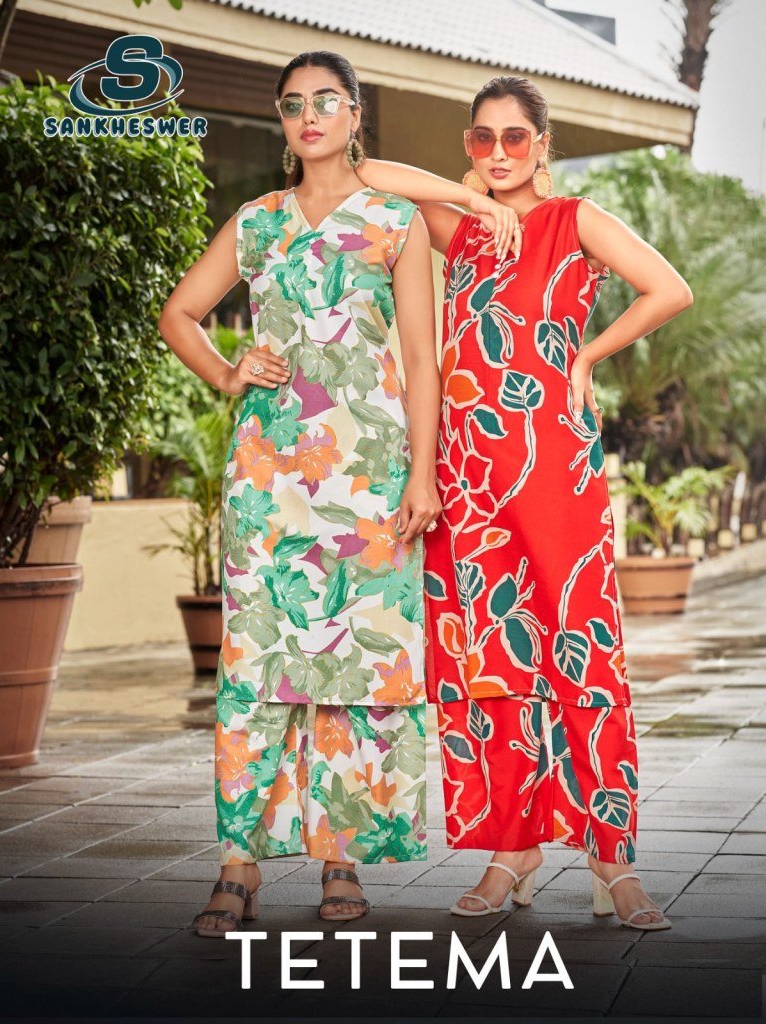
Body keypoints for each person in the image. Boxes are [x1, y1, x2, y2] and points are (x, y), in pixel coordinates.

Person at [356, 75, 693, 930]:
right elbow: (367, 173)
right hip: (468, 475)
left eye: (515, 138)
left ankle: (612, 858)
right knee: (490, 663)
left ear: (543, 144)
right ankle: (513, 850)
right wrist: (466, 194)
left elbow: (669, 288)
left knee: (583, 652)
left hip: (554, 468)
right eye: (483, 138)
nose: (499, 152)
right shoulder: (460, 227)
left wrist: (587, 356)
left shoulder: (576, 219)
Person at [158, 50, 443, 936]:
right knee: (257, 664)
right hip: (269, 474)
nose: (309, 116)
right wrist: (227, 371)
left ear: (355, 114)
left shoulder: (396, 221)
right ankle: (237, 865)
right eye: (292, 104)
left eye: (326, 101)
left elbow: (422, 357)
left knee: (355, 665)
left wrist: (423, 472)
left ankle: (340, 859)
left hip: (370, 474)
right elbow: (178, 313)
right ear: (282, 122)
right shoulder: (257, 222)